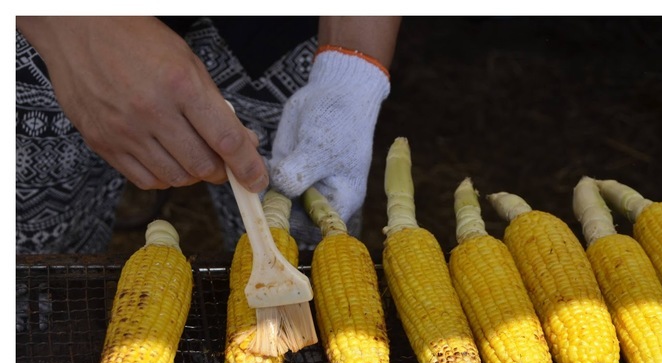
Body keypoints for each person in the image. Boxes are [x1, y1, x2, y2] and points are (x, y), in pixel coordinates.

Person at [15, 16, 402, 255]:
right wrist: (73, 25)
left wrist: (351, 68)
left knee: (306, 248)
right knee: (40, 254)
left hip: (289, 30)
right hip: (46, 33)